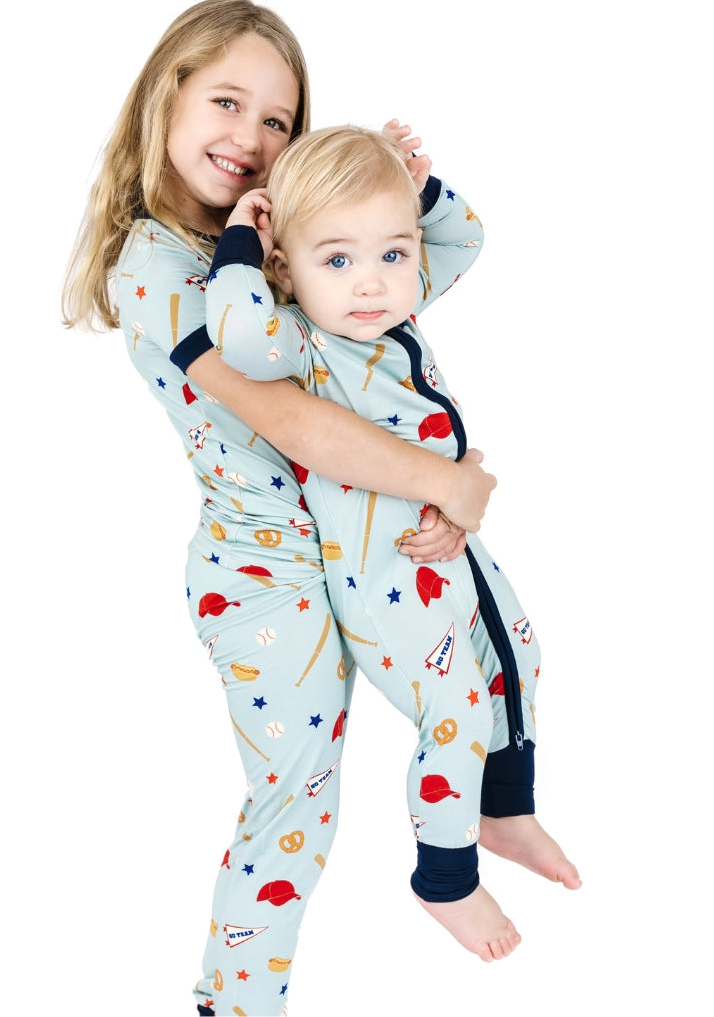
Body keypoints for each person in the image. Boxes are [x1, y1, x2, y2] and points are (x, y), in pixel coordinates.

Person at [61, 0, 500, 1017]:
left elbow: (390, 332)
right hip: (270, 578)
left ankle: (494, 819)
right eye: (227, 101)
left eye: (278, 121)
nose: (251, 138)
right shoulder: (161, 270)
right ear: (164, 99)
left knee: (485, 667)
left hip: (362, 540)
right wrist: (445, 480)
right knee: (296, 799)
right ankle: (235, 1004)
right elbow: (292, 423)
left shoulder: (284, 247)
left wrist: (407, 193)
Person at [205, 124, 581, 965]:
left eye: (393, 254)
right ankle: (444, 876)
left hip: (451, 551)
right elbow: (233, 336)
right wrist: (242, 237)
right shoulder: (300, 341)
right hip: (383, 576)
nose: (370, 284)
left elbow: (468, 236)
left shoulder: (389, 310)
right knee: (453, 708)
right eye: (336, 260)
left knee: (519, 653)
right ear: (285, 269)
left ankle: (504, 811)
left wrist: (414, 188)